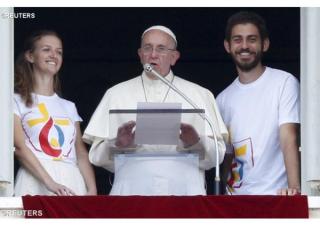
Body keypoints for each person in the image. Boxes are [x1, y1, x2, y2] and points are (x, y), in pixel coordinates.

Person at [83, 25, 228, 195]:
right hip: (130, 193)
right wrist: (118, 144)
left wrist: (195, 142)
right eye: (147, 48)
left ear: (174, 57)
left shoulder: (199, 95)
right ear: (140, 55)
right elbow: (96, 156)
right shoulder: (115, 94)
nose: (153, 54)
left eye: (161, 49)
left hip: (185, 193)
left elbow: (218, 156)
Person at [216, 11, 300, 195]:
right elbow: (226, 155)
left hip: (276, 195)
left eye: (252, 39)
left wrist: (295, 190)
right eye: (237, 40)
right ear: (227, 46)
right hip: (236, 200)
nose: (244, 46)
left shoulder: (284, 82)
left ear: (265, 44)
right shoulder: (222, 99)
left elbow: (289, 138)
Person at [14, 30, 97, 196]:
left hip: (72, 181)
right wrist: (50, 183)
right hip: (35, 180)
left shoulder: (69, 106)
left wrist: (92, 189)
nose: (54, 55)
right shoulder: (15, 100)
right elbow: (19, 147)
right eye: (46, 49)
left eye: (59, 52)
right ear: (30, 56)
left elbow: (80, 152)